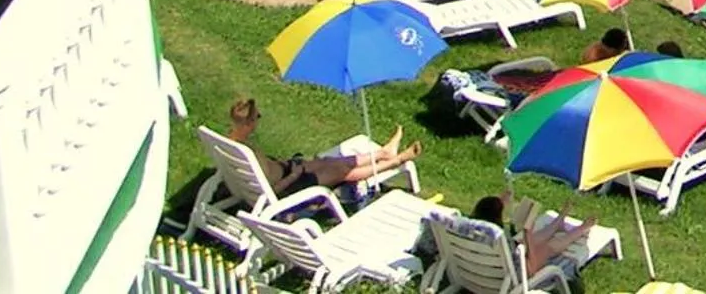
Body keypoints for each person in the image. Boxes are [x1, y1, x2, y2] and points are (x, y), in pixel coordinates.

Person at [225, 97, 420, 194]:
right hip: (289, 186)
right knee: (342, 171)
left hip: (288, 171)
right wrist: (294, 174)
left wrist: (293, 168)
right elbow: (272, 188)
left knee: (327, 161)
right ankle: (396, 160)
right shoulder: (246, 152)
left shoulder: (230, 145)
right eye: (257, 117)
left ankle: (383, 153)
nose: (258, 121)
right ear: (249, 122)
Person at [463, 195, 596, 284]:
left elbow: (487, 212)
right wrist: (528, 233)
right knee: (546, 248)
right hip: (505, 278)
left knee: (524, 242)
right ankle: (581, 229)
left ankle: (558, 222)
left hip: (475, 269)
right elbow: (531, 268)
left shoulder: (466, 230)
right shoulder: (499, 237)